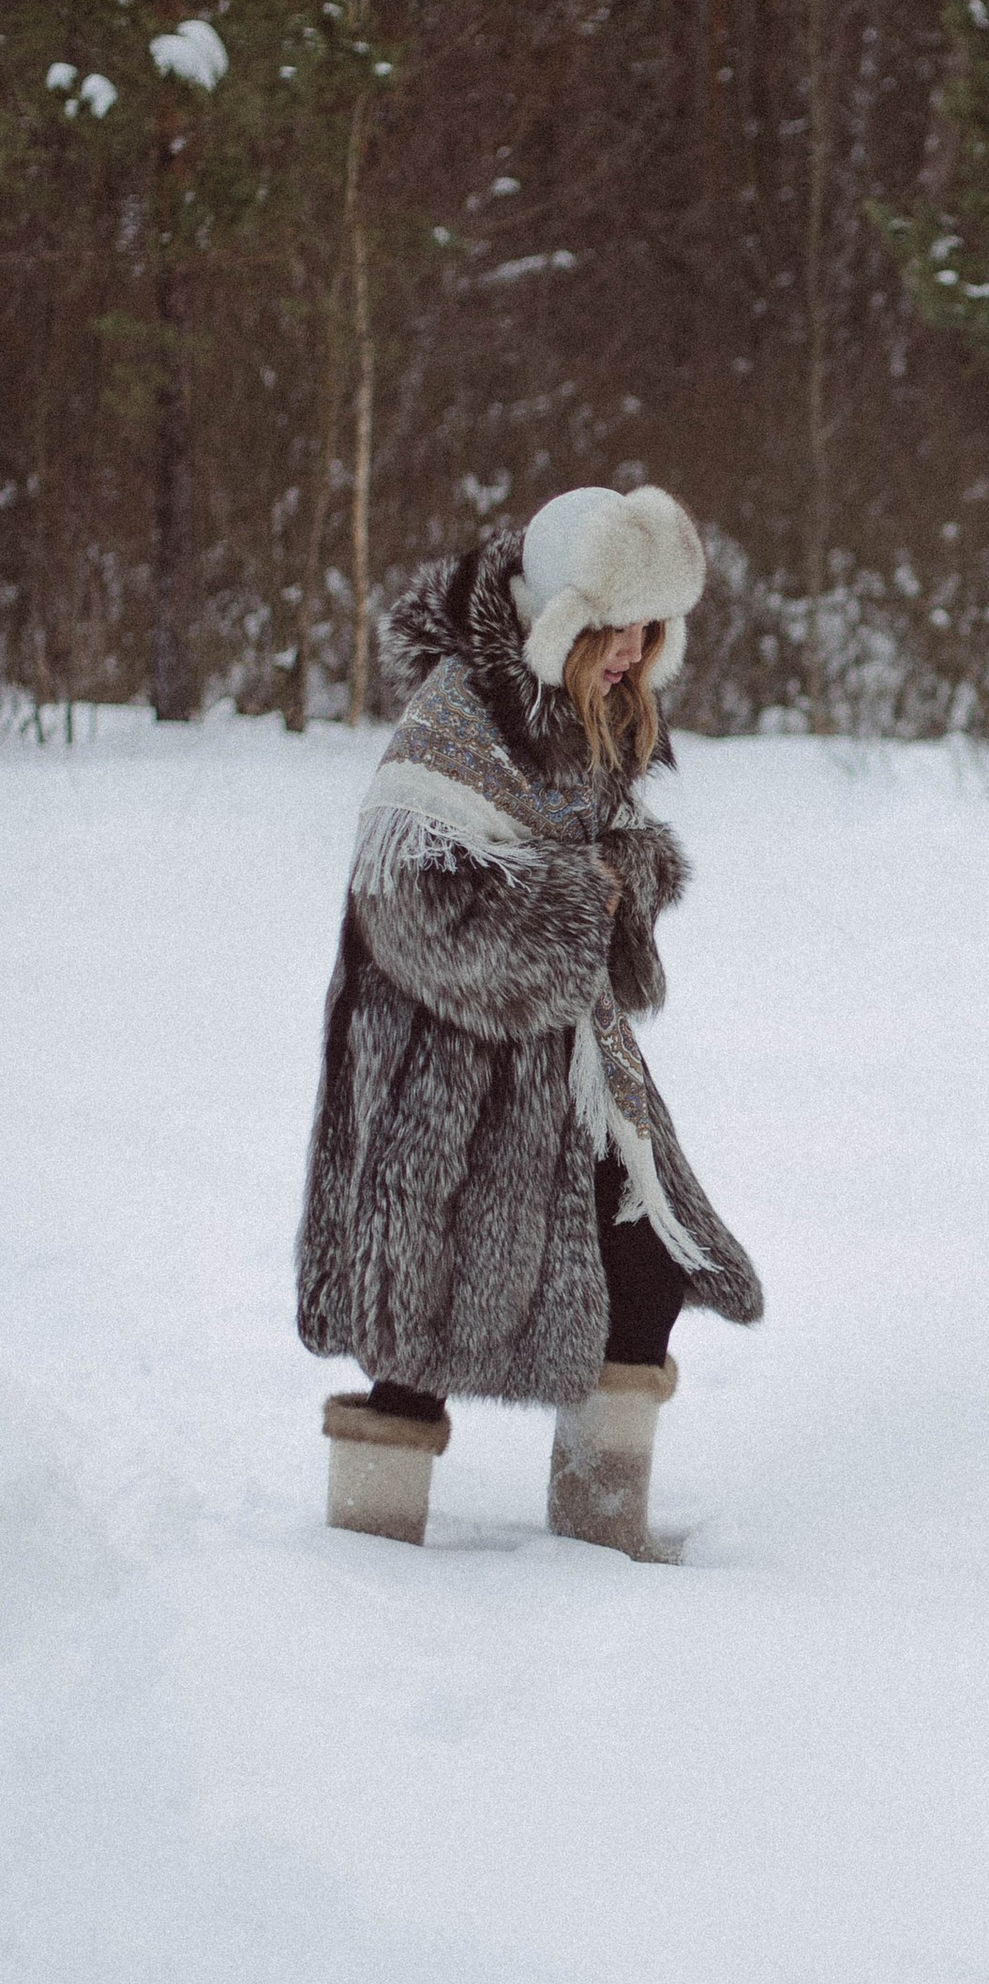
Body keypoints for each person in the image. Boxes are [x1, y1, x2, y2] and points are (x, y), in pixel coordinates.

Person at [296, 483, 763, 1557]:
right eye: (615, 628)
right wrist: (574, 901)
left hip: (566, 1069)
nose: (633, 651)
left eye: (653, 629)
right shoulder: (453, 726)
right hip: (436, 1081)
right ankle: (355, 1561)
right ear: (562, 618)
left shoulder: (590, 722)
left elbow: (609, 940)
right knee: (412, 1324)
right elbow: (410, 918)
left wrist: (620, 882)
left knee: (646, 1264)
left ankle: (598, 1543)